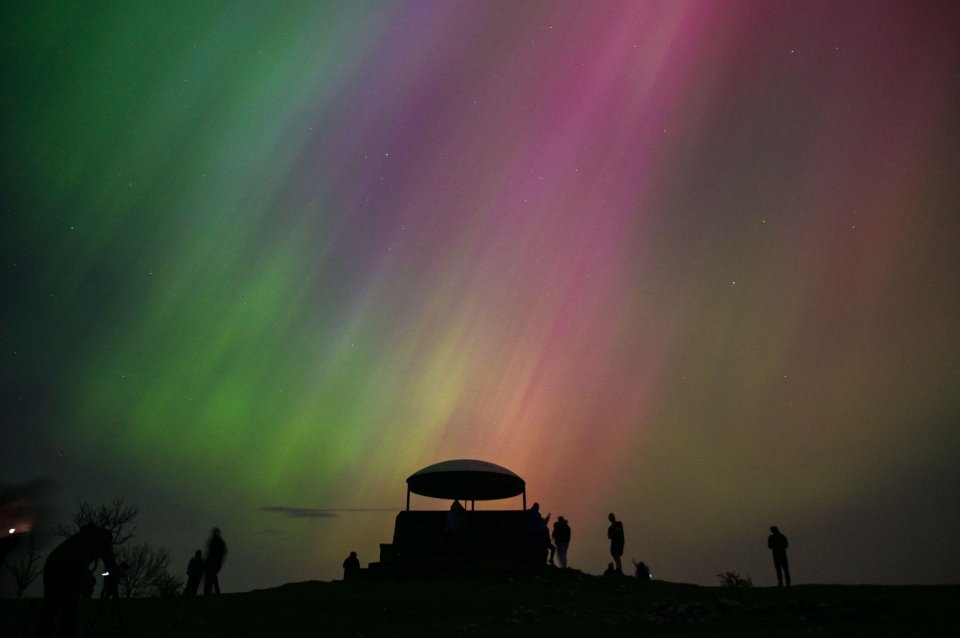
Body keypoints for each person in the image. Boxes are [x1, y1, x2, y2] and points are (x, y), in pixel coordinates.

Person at [37, 524, 117, 638]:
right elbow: (108, 559)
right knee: (70, 606)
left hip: (52, 565)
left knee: (50, 605)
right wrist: (111, 572)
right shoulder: (103, 537)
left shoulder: (79, 538)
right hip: (71, 567)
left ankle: (43, 633)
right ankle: (65, 633)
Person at [204, 527, 226, 595]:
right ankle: (211, 592)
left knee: (211, 577)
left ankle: (211, 592)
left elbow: (221, 552)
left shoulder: (217, 541)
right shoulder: (218, 541)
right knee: (211, 577)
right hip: (212, 562)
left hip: (213, 562)